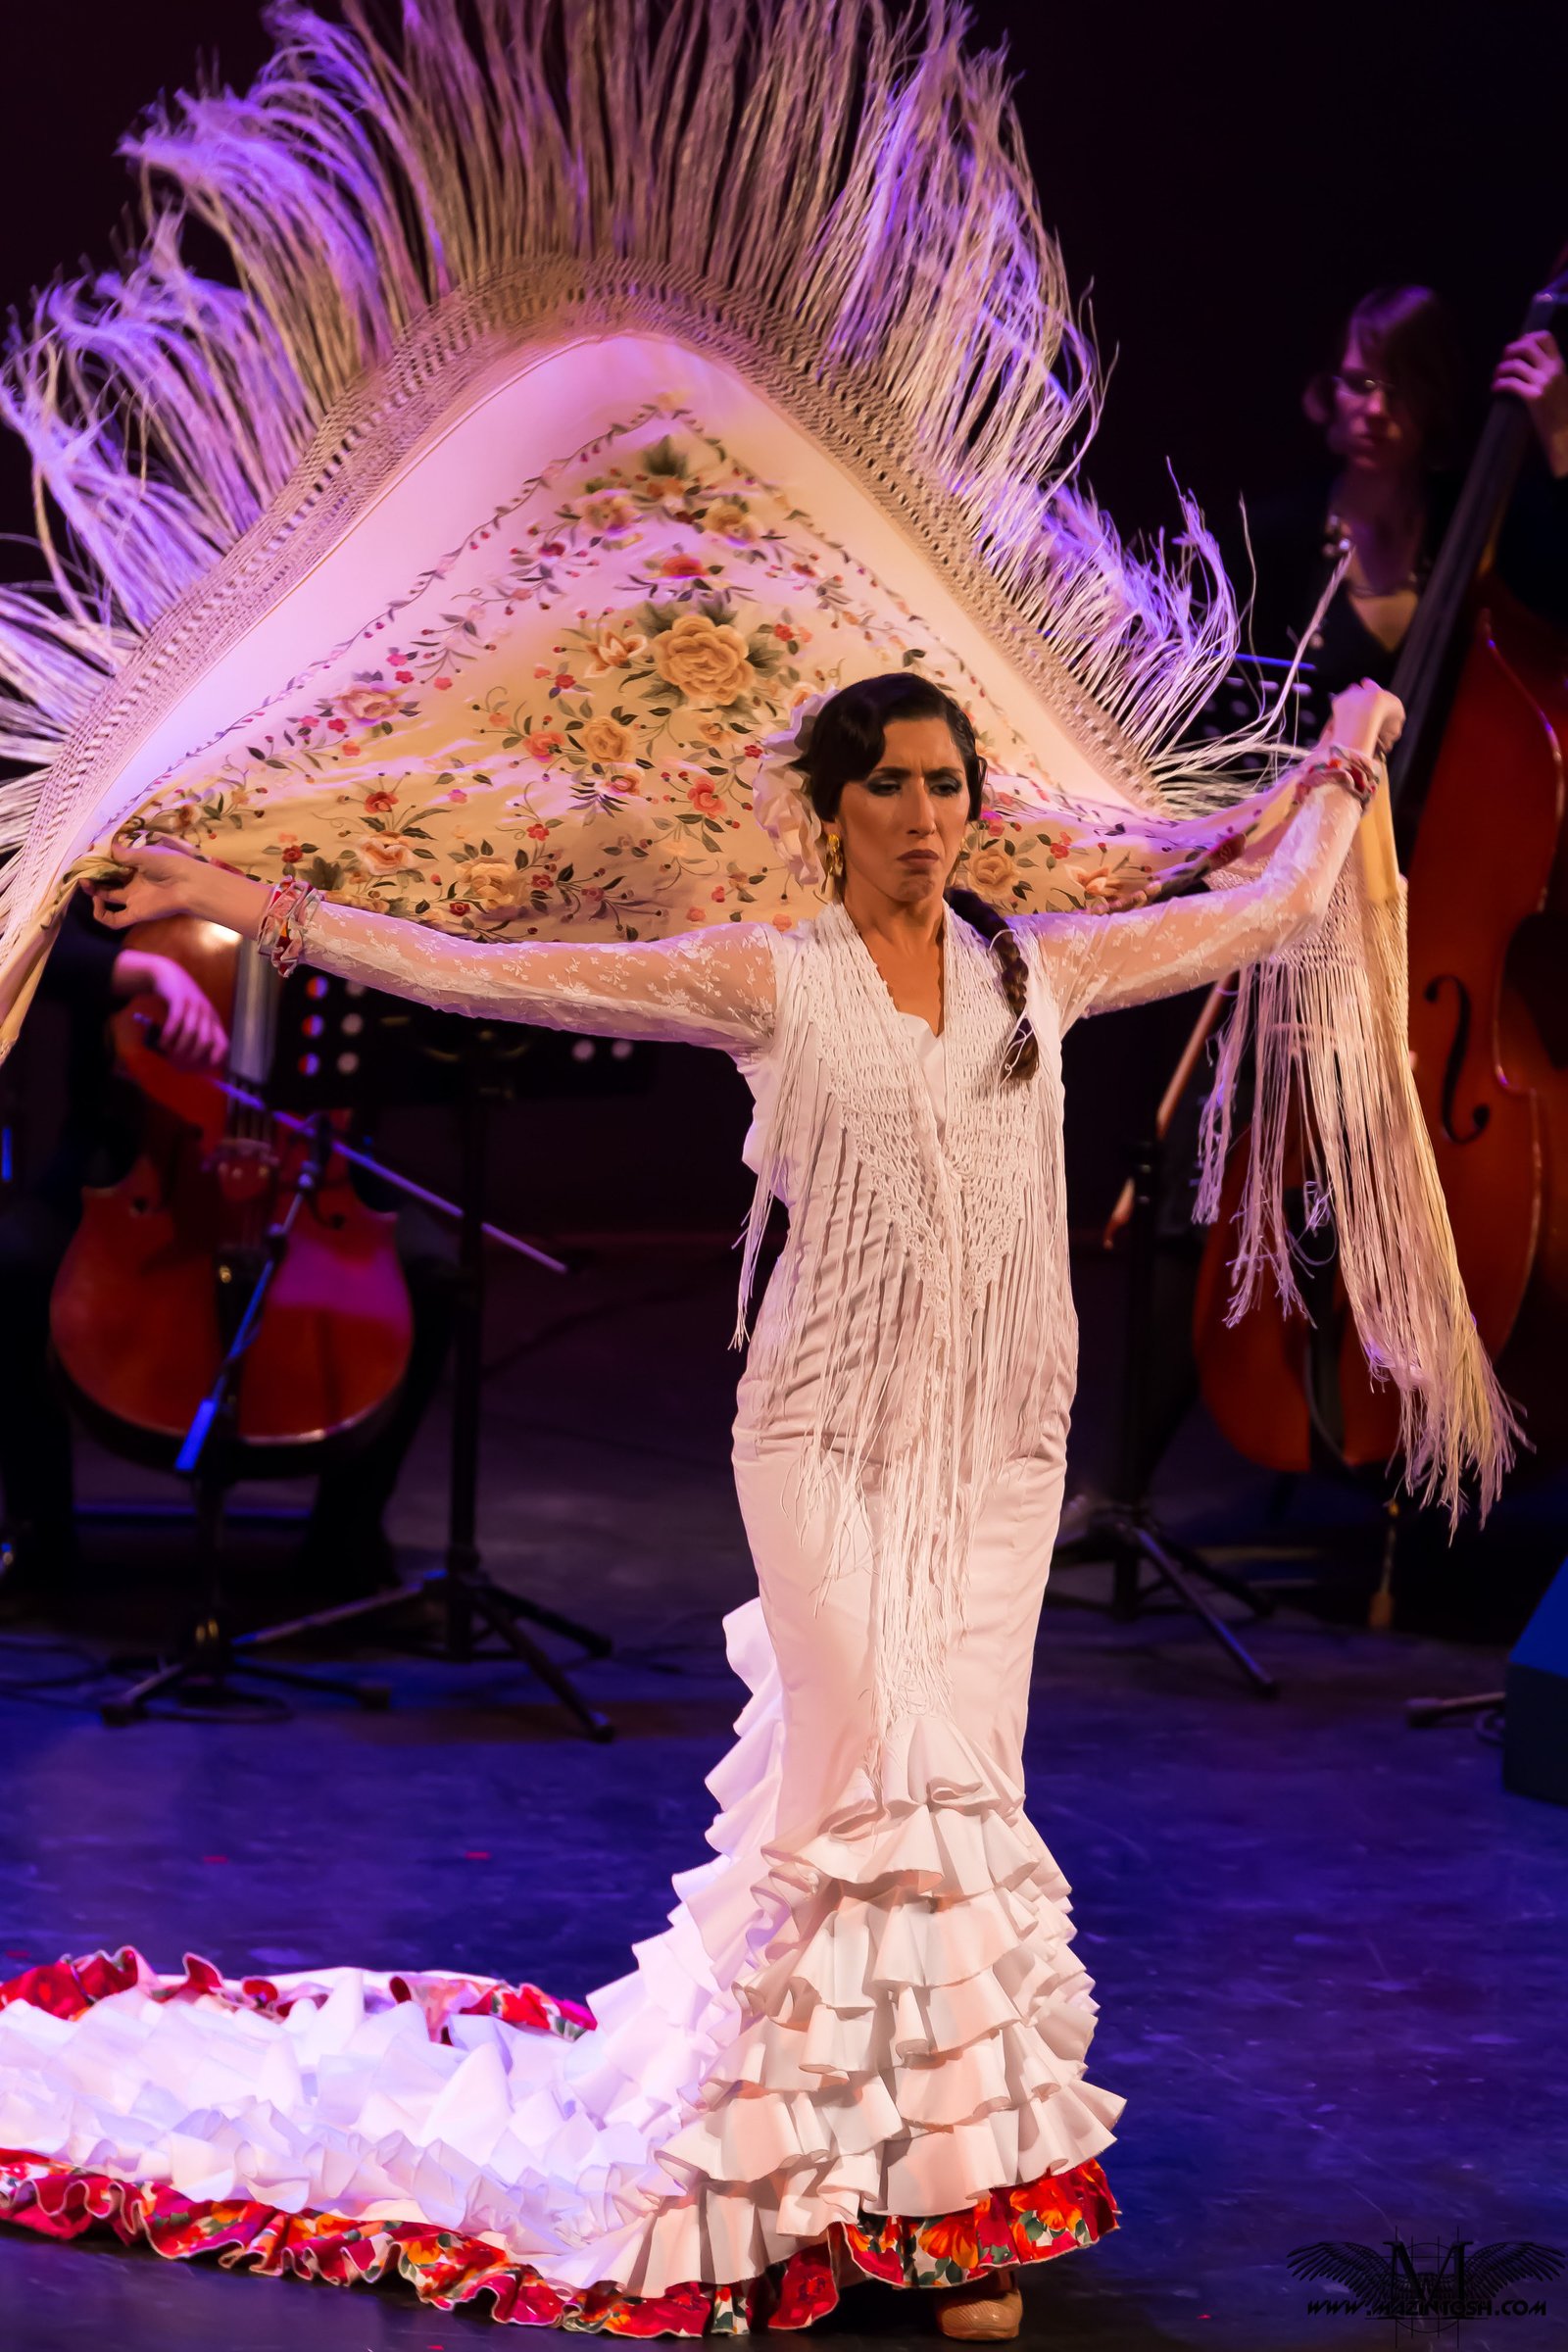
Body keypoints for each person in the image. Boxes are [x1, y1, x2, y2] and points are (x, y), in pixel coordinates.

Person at [19, 664, 1399, 2340]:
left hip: (994, 1454)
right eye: (886, 785)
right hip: (823, 1438)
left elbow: (1265, 913)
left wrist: (1349, 757)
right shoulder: (769, 975)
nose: (922, 815)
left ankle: (893, 2175)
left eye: (945, 784)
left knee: (957, 1794)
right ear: (830, 811)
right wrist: (249, 906)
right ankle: (904, 2212)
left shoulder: (1041, 970)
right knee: (877, 1780)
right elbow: (491, 975)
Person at [0, 890, 456, 1615]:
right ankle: (39, 1540)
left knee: (434, 1273)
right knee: (13, 1265)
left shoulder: (347, 868)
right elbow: (27, 941)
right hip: (135, 1149)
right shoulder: (126, 860)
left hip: (312, 1156)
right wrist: (144, 971)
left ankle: (345, 1545)